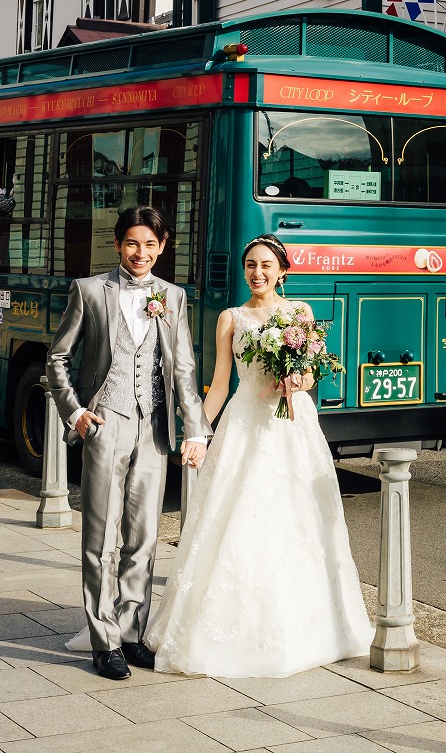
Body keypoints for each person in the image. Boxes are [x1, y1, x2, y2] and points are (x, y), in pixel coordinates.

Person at [145, 233, 370, 678]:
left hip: (293, 428)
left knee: (301, 521)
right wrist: (197, 432)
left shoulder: (299, 313)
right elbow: (221, 383)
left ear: (282, 271)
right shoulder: (231, 318)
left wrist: (297, 383)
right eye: (250, 265)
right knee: (240, 519)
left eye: (266, 265)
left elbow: (309, 375)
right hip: (246, 423)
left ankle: (315, 626)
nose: (257, 272)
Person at [45, 206, 208, 681]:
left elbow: (183, 369)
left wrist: (194, 428)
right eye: (133, 243)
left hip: (154, 427)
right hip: (105, 423)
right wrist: (75, 413)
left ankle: (132, 632)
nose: (142, 253)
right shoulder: (90, 290)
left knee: (144, 537)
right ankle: (104, 640)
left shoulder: (172, 296)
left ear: (163, 247)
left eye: (152, 245)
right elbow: (56, 359)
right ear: (117, 244)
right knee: (100, 537)